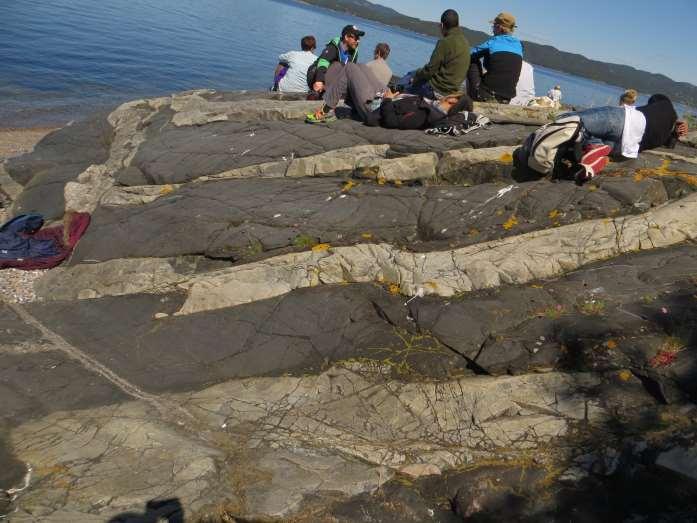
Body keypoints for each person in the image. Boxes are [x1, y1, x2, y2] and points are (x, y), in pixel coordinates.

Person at [564, 94, 689, 182]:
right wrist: (675, 134)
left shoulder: (665, 104)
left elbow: (656, 97)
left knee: (570, 120)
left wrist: (676, 120)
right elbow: (669, 144)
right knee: (587, 135)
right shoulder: (661, 138)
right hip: (625, 149)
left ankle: (593, 145)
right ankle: (595, 149)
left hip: (625, 120)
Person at [408, 9, 470, 98]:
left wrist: (416, 77)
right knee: (415, 74)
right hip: (452, 90)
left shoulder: (445, 42)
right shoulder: (465, 42)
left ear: (442, 25)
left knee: (410, 77)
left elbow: (430, 70)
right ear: (457, 24)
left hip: (437, 90)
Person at [467, 12, 523, 103]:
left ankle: (471, 98)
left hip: (486, 95)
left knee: (471, 61)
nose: (492, 30)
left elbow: (470, 55)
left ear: (499, 28)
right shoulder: (519, 45)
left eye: (494, 26)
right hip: (507, 98)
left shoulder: (493, 42)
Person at [367, 90, 473, 130]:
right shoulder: (431, 107)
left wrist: (387, 100)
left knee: (353, 68)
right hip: (384, 98)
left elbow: (391, 121)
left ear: (453, 101)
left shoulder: (426, 113)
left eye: (452, 95)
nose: (446, 96)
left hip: (374, 107)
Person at [306, 24, 365, 95]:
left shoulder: (354, 52)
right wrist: (319, 81)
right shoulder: (333, 47)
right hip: (316, 75)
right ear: (346, 37)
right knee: (337, 65)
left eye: (359, 38)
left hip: (334, 80)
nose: (358, 41)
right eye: (356, 38)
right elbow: (323, 62)